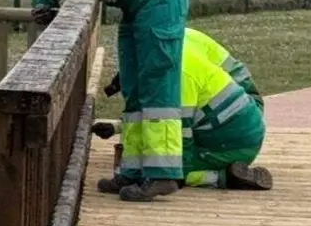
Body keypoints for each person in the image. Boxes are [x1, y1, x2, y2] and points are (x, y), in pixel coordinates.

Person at [9, 0, 189, 202]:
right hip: (135, 7)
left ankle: (163, 174)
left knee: (156, 82)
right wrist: (42, 5)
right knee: (133, 85)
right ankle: (132, 170)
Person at [96, 46, 273, 192]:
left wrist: (167, 174)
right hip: (234, 127)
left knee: (167, 169)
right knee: (155, 161)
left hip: (233, 143)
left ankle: (224, 178)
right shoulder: (167, 53)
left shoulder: (178, 78)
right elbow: (154, 115)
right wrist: (118, 127)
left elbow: (181, 137)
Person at [103, 27, 262, 110]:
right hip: (240, 97)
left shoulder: (173, 65)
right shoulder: (165, 43)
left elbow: (174, 118)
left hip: (242, 104)